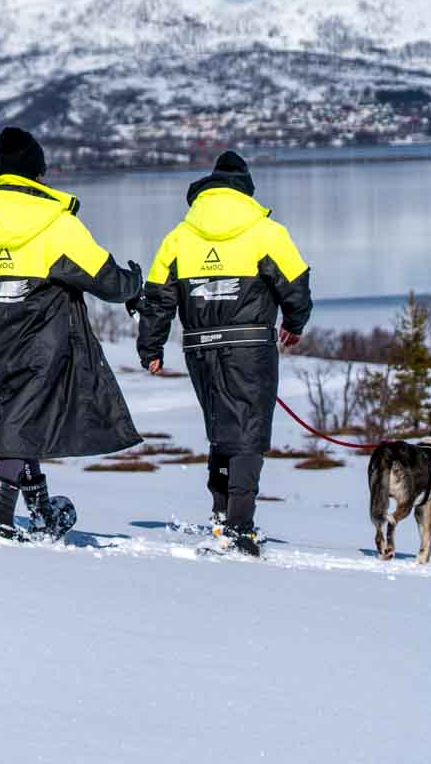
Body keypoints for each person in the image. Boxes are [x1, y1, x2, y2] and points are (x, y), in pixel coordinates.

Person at [0, 127, 144, 540]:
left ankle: (41, 510)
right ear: (37, 173)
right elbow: (108, 281)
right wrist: (136, 283)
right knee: (19, 422)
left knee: (17, 418)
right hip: (41, 339)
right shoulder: (57, 224)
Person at [135, 151, 311, 557]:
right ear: (246, 190)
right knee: (248, 432)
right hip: (250, 346)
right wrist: (295, 323)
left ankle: (221, 514)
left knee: (221, 428)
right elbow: (296, 285)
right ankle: (240, 526)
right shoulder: (266, 232)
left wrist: (151, 348)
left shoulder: (179, 236)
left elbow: (158, 297)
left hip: (199, 348)